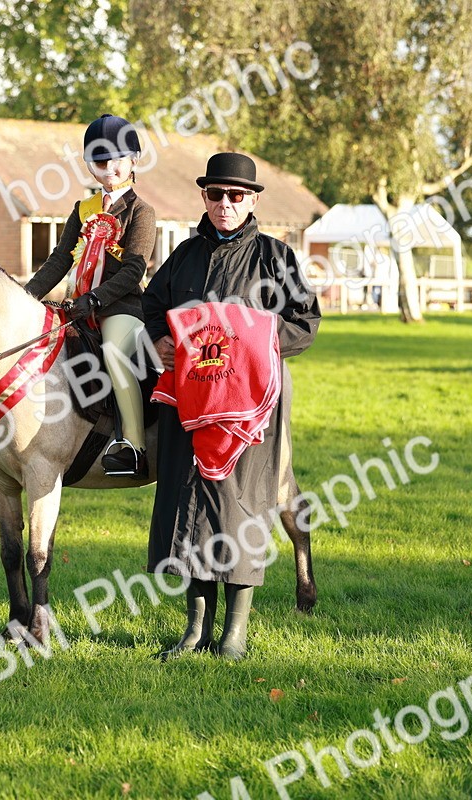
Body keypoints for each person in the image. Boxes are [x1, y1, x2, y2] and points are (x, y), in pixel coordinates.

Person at [143, 152, 321, 659]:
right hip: (191, 401)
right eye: (216, 194)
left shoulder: (275, 258)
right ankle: (195, 630)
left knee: (238, 507)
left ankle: (234, 634)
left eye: (236, 195)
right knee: (189, 503)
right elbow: (152, 305)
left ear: (252, 200)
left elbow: (305, 321)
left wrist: (254, 343)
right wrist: (158, 337)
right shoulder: (183, 256)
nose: (225, 204)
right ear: (204, 197)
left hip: (249, 407)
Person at [23, 114, 157, 477]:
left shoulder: (141, 212)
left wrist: (96, 300)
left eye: (117, 158)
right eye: (100, 160)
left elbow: (134, 270)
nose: (109, 166)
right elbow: (59, 260)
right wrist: (26, 296)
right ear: (89, 166)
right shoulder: (82, 211)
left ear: (133, 161)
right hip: (77, 305)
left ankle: (132, 446)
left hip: (121, 307)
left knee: (114, 354)